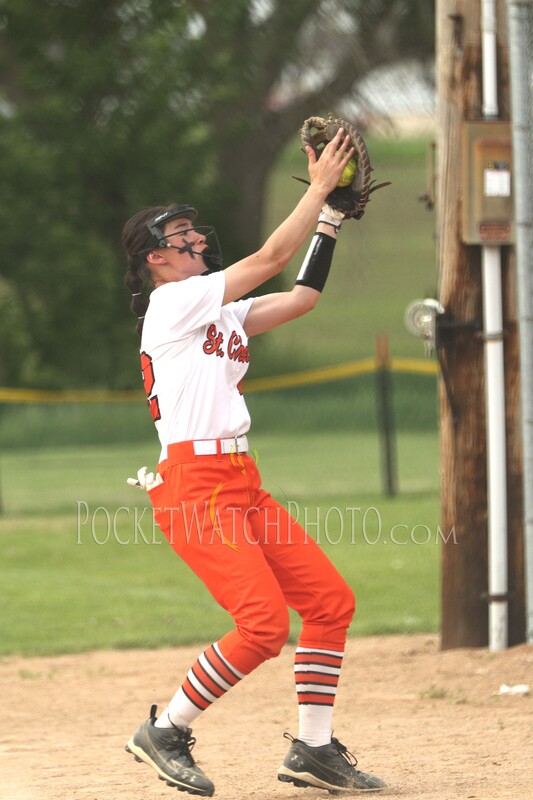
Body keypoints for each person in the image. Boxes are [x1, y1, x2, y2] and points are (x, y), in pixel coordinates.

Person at [121, 127, 386, 797]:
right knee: (263, 625)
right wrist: (319, 186)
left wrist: (329, 218)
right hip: (193, 487)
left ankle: (313, 750)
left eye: (194, 232)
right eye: (181, 238)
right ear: (156, 259)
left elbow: (300, 298)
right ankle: (166, 730)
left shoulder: (220, 314)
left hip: (241, 483)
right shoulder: (171, 303)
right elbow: (270, 255)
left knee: (328, 603)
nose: (197, 241)